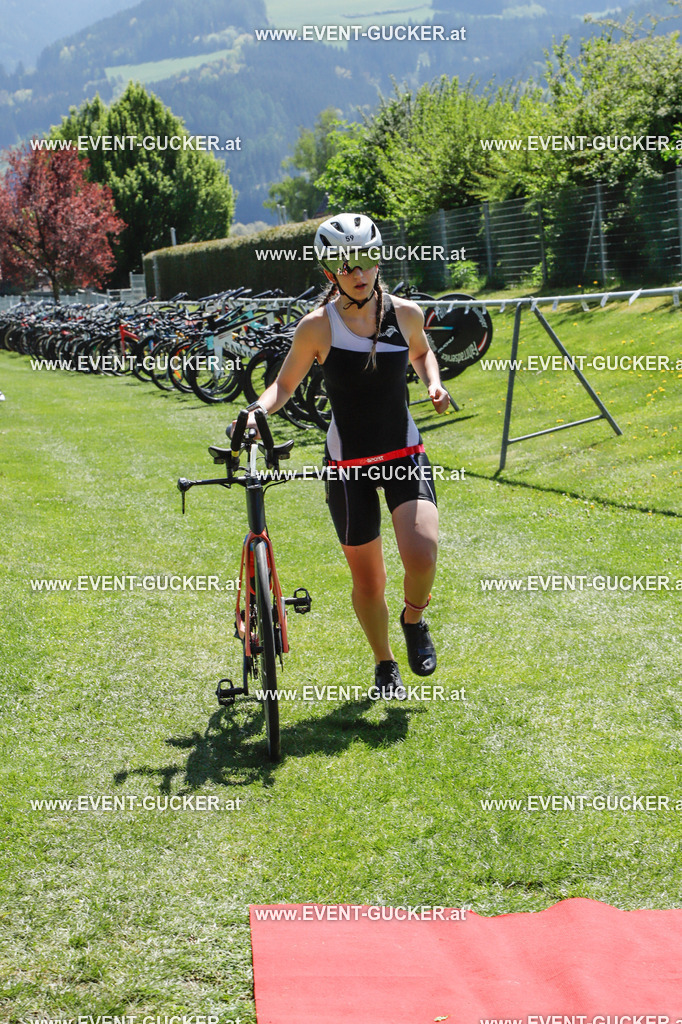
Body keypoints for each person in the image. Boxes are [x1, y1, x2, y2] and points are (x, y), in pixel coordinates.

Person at [242, 213, 450, 698]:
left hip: (404, 452)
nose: (359, 272)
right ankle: (384, 663)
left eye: (367, 260)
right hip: (348, 465)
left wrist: (433, 382)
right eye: (345, 263)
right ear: (329, 272)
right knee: (369, 579)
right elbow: (284, 385)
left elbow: (422, 353)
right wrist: (257, 411)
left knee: (421, 552)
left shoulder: (405, 314)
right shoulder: (318, 327)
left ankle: (414, 620)